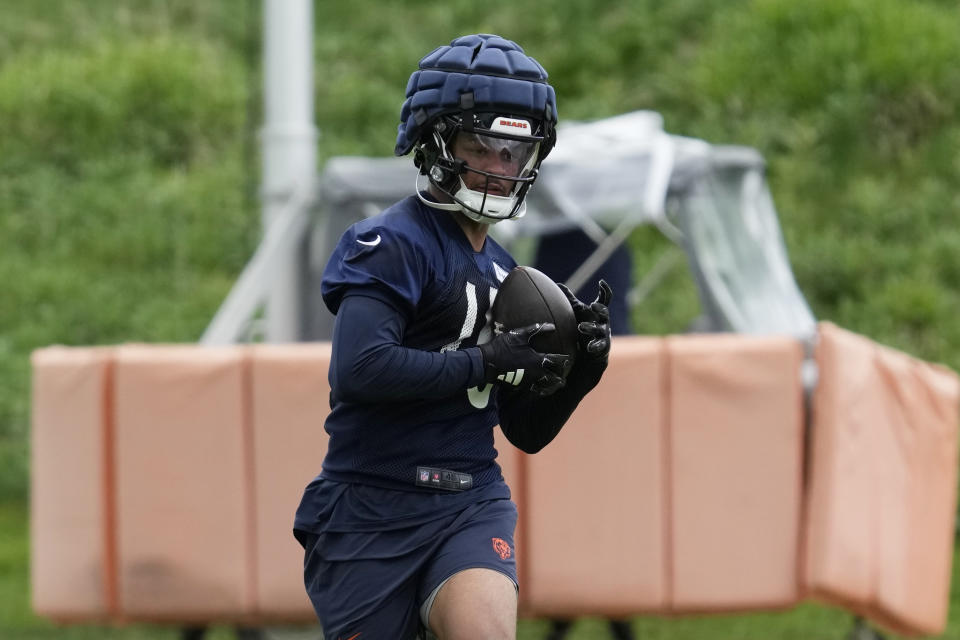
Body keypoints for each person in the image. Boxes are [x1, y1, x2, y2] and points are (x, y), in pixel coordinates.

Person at [292, 34, 614, 640]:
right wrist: (486, 359)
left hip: (470, 500)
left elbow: (526, 432)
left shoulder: (506, 273)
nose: (498, 167)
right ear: (435, 140)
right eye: (482, 146)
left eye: (514, 153)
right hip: (371, 507)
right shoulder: (390, 243)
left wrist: (579, 378)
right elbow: (361, 369)